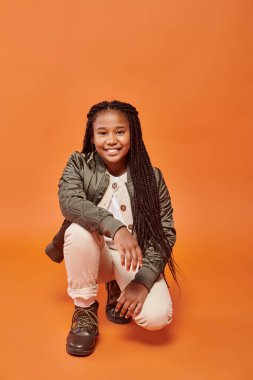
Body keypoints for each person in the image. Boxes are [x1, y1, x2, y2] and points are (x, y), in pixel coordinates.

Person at [45, 100, 178, 357]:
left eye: (120, 131)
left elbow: (166, 232)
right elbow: (69, 201)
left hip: (132, 259)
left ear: (133, 135)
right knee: (77, 230)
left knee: (157, 317)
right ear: (92, 137)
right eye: (102, 133)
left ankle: (118, 285)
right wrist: (115, 227)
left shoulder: (152, 176)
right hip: (96, 255)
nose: (111, 140)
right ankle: (84, 310)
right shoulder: (79, 164)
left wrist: (143, 281)